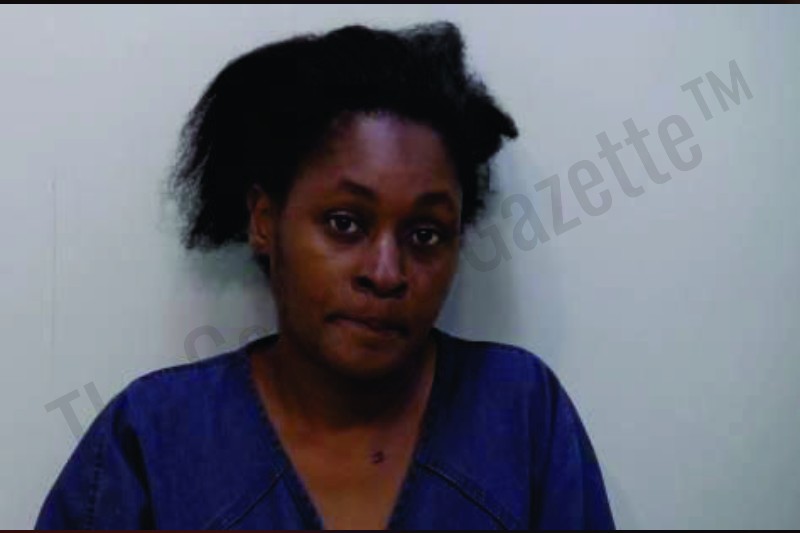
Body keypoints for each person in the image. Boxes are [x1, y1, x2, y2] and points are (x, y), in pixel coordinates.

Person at [35, 21, 615, 530]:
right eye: (345, 223)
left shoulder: (520, 414)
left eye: (426, 234)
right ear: (266, 221)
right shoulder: (153, 439)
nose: (386, 273)